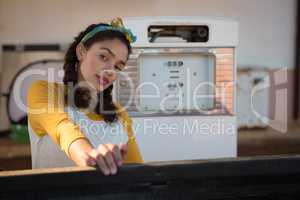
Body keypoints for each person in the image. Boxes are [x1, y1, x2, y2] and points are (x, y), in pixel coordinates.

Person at [27, 18, 143, 175]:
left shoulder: (120, 115)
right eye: (103, 57)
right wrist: (90, 156)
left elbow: (138, 174)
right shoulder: (44, 92)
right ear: (81, 51)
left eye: (117, 67)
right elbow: (64, 130)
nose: (110, 70)